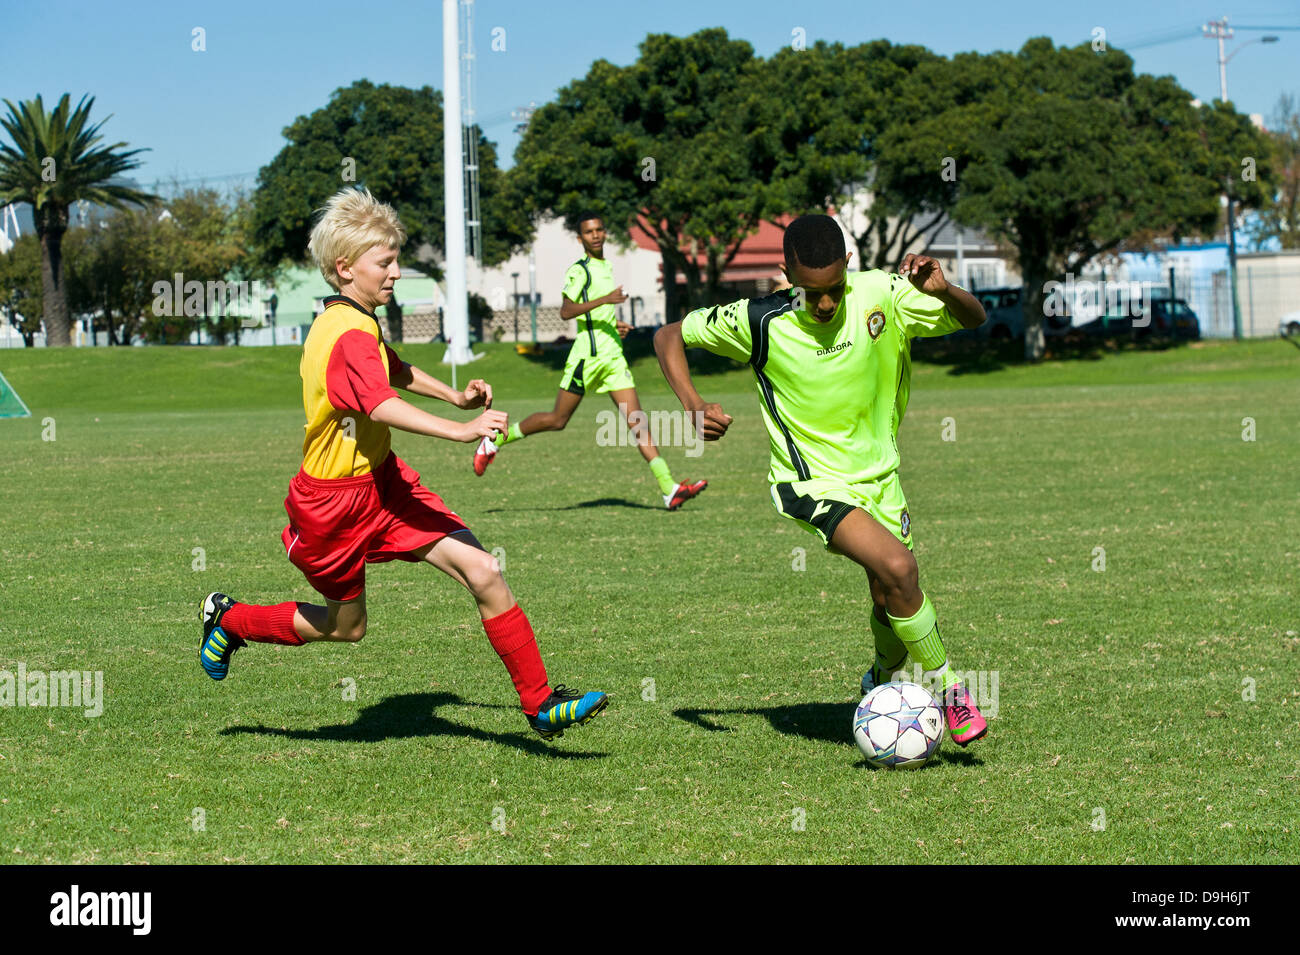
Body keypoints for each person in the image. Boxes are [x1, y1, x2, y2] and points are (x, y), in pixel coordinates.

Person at [198, 188, 607, 741]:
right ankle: (230, 620)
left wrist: (455, 396)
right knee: (347, 628)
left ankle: (539, 703)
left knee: (483, 570)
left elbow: (392, 369)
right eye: (384, 262)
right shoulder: (344, 332)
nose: (395, 273)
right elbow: (378, 401)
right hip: (332, 503)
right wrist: (460, 430)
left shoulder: (355, 319)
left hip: (383, 485)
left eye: (396, 260)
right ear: (345, 268)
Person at [653, 214, 989, 747]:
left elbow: (973, 318)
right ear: (785, 274)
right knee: (901, 568)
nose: (827, 304)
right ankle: (952, 692)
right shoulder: (759, 320)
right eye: (812, 293)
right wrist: (692, 406)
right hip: (810, 485)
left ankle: (879, 679)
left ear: (848, 269)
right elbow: (669, 334)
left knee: (889, 596)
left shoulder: (882, 292)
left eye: (835, 289)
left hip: (882, 477)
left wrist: (945, 290)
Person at [473, 213, 707, 511]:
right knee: (558, 420)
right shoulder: (580, 270)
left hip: (613, 357)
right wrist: (606, 301)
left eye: (599, 230)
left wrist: (614, 324)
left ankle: (668, 488)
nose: (595, 235)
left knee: (638, 422)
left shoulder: (605, 267)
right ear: (580, 238)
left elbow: (596, 314)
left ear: (605, 233)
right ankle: (494, 441)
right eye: (588, 232)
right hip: (587, 357)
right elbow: (567, 311)